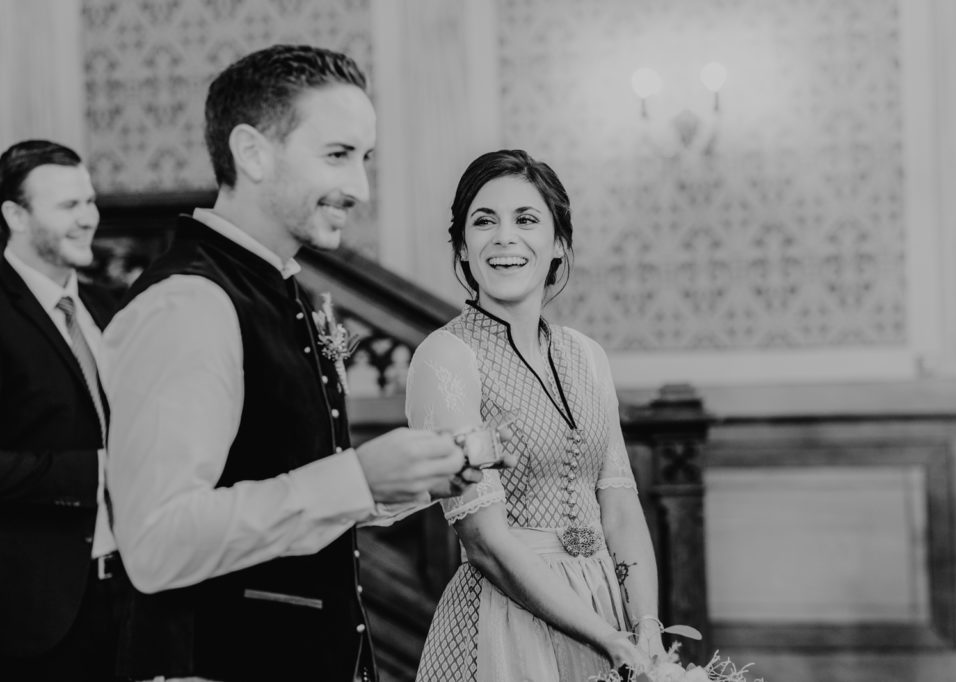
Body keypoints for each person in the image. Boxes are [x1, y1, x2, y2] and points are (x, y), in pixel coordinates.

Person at [103, 45, 488, 682]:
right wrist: (357, 478)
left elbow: (276, 476)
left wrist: (406, 481)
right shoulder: (190, 304)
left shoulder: (284, 290)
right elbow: (156, 544)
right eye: (337, 156)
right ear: (253, 152)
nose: (360, 188)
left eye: (364, 159)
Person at [407, 149, 667, 681]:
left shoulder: (587, 355)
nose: (504, 237)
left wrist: (646, 626)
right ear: (462, 247)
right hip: (507, 624)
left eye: (526, 219)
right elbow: (486, 544)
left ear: (558, 245)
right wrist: (607, 639)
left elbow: (618, 505)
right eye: (484, 221)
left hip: (608, 608)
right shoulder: (445, 357)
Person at [0, 140, 122, 680]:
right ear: (15, 215)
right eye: (68, 207)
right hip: (31, 613)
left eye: (90, 202)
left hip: (130, 596)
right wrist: (98, 472)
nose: (88, 219)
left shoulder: (112, 306)